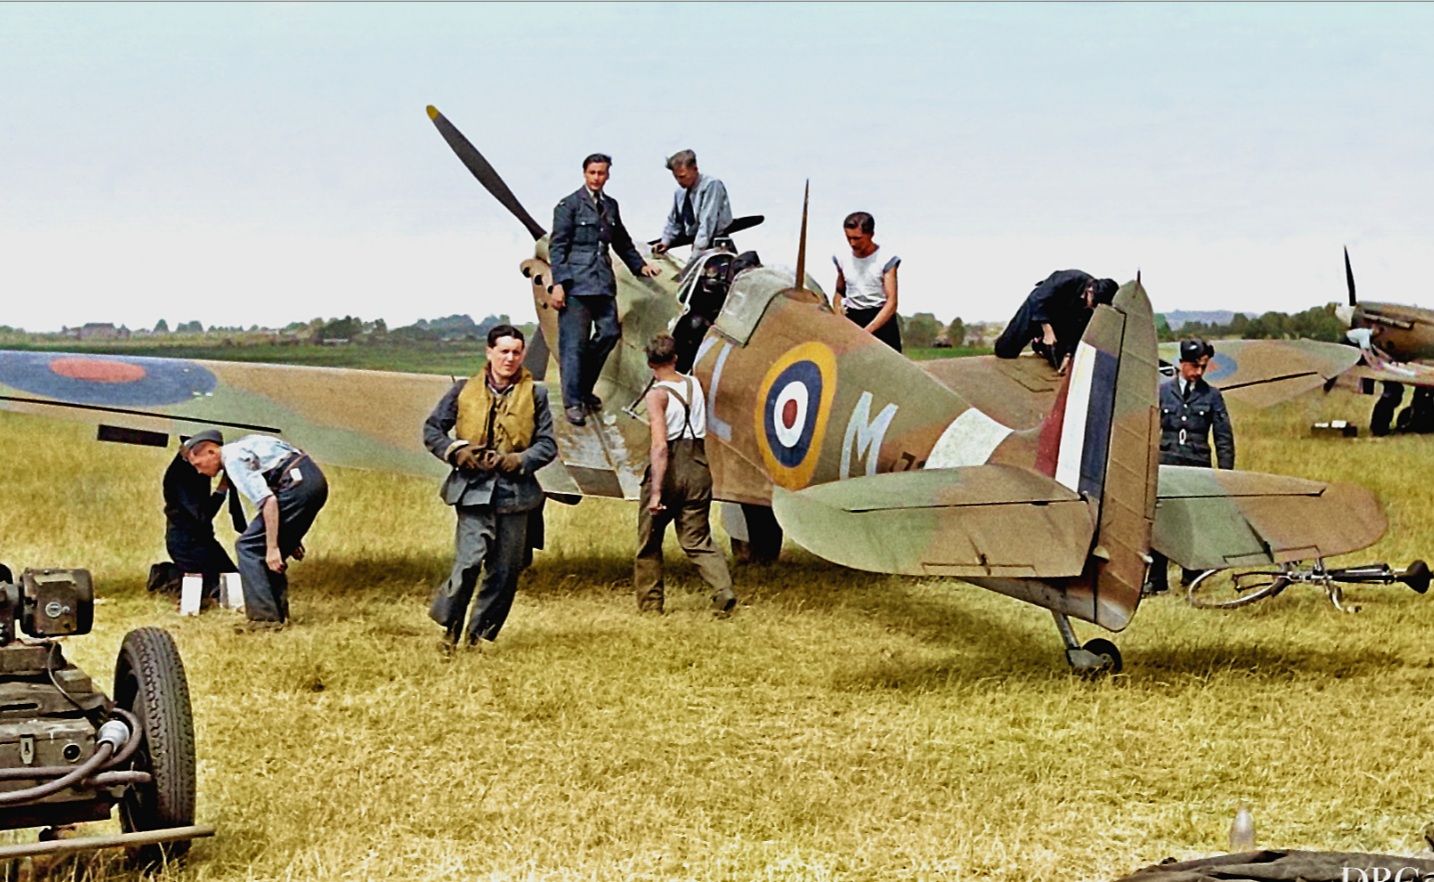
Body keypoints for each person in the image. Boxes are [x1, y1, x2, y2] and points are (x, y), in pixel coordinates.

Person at [424, 324, 558, 651]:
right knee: (468, 562)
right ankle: (450, 630)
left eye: (516, 352)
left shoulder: (536, 394)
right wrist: (457, 452)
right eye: (503, 352)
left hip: (516, 495)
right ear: (489, 353)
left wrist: (520, 460)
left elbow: (547, 444)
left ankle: (477, 637)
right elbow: (432, 431)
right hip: (471, 491)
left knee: (504, 572)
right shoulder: (462, 390)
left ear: (522, 354)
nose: (510, 359)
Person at [548, 152, 662, 427]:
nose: (597, 178)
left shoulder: (610, 206)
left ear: (608, 175)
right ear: (584, 174)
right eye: (592, 173)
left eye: (602, 173)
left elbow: (621, 241)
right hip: (575, 285)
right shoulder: (568, 206)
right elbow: (558, 246)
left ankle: (583, 388)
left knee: (609, 333)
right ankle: (574, 402)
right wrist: (559, 284)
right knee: (574, 345)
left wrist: (640, 266)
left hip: (601, 283)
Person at [634, 334, 737, 615]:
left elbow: (659, 446)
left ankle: (650, 604)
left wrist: (656, 492)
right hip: (699, 465)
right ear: (675, 358)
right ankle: (722, 589)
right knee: (697, 538)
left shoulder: (657, 395)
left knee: (649, 541)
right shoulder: (693, 384)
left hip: (670, 468)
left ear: (649, 363)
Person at [183, 431, 328, 628]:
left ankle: (264, 619)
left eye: (198, 464)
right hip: (312, 479)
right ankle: (278, 614)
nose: (200, 472)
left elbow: (268, 501)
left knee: (249, 548)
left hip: (295, 486)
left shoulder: (233, 460)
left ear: (211, 451)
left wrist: (272, 548)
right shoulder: (246, 443)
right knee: (261, 546)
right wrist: (289, 537)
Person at [1144, 337, 1236, 595]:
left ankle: (1191, 575)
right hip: (1167, 466)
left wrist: (1225, 475)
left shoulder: (1212, 396)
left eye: (1202, 368)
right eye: (1194, 366)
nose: (1197, 372)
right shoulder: (1162, 393)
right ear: (1182, 363)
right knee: (1161, 522)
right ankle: (1157, 579)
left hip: (1197, 467)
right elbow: (1147, 431)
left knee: (1193, 523)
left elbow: (1223, 438)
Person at [163, 429, 243, 598]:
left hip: (202, 539)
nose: (201, 470)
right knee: (213, 590)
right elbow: (201, 516)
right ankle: (166, 577)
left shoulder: (192, 467)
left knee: (233, 582)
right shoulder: (182, 475)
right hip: (187, 544)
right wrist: (222, 489)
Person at [994, 271, 1119, 373]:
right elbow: (1037, 299)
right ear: (1091, 290)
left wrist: (1068, 355)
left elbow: (1076, 330)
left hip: (1061, 320)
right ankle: (1037, 336)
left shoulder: (1088, 306)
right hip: (1037, 309)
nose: (1092, 308)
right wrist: (1047, 331)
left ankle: (1040, 345)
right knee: (1004, 350)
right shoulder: (1068, 278)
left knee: (1061, 363)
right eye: (1094, 303)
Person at [832, 212, 902, 352]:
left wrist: (866, 333)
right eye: (849, 238)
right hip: (852, 319)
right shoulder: (842, 258)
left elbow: (892, 302)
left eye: (857, 238)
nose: (852, 243)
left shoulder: (885, 259)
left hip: (881, 320)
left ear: (870, 234)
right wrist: (838, 311)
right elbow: (840, 291)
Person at [653, 149, 734, 255]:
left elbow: (707, 222)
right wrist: (665, 241)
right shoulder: (680, 192)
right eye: (676, 177)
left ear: (694, 169)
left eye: (682, 176)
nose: (679, 181)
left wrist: (696, 254)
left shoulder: (711, 185)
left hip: (716, 245)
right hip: (696, 242)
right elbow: (674, 221)